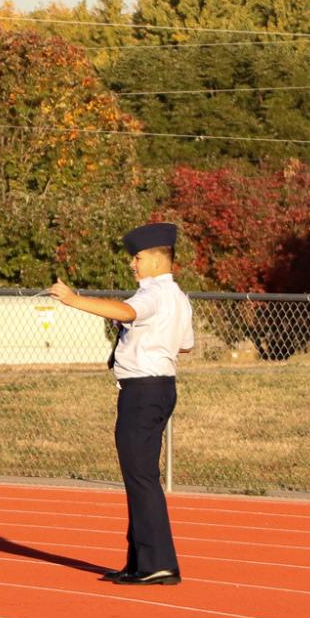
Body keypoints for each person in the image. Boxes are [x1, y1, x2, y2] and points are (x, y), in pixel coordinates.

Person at [50, 221, 194, 586]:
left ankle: (158, 563)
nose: (133, 264)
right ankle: (141, 560)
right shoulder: (177, 296)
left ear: (159, 260)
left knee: (141, 477)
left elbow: (128, 312)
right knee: (139, 476)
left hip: (143, 391)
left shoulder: (154, 294)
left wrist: (73, 300)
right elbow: (186, 344)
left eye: (138, 257)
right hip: (158, 387)